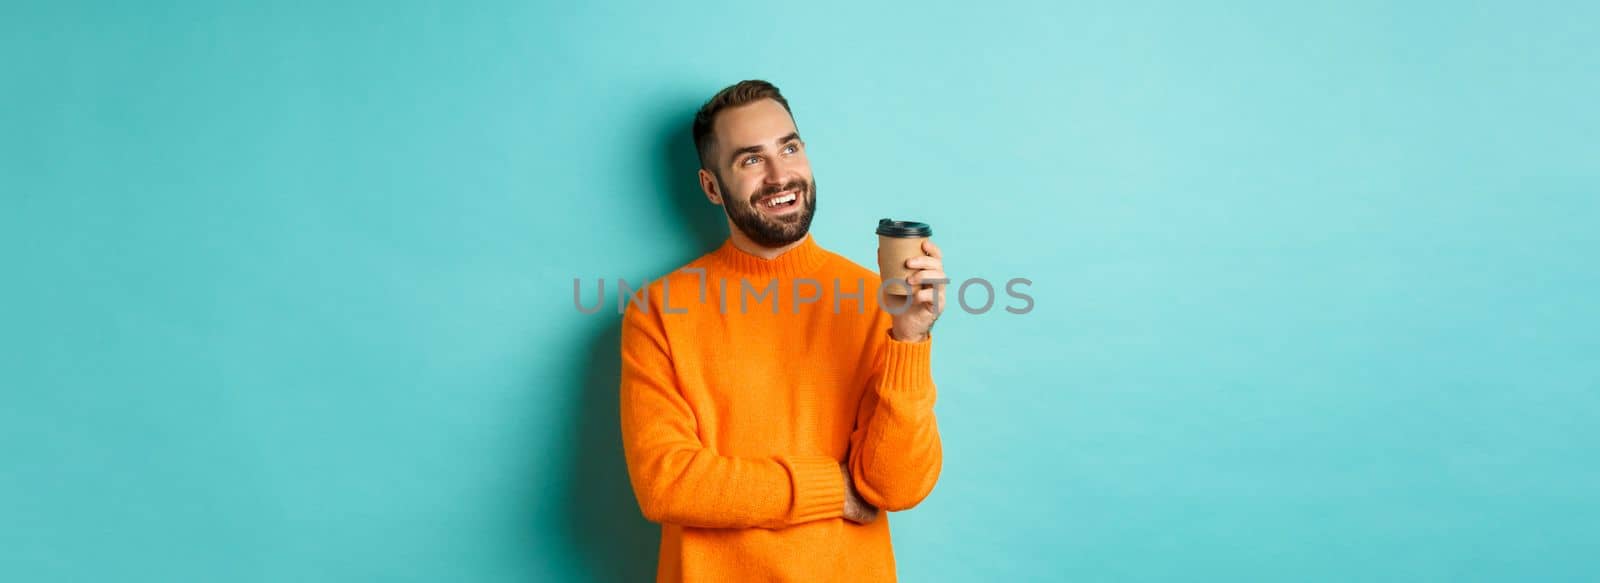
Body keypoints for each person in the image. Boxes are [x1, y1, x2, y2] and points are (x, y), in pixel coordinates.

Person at [619, 79, 947, 582]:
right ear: (711, 187)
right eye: (751, 160)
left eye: (788, 148)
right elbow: (667, 484)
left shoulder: (878, 299)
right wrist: (831, 489)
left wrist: (910, 338)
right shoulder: (659, 310)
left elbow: (895, 488)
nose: (780, 176)